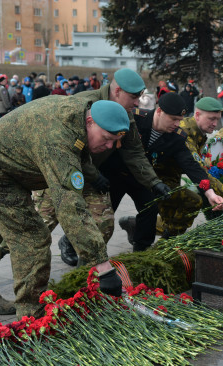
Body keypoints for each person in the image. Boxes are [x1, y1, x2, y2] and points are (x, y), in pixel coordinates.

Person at [0, 97, 129, 318]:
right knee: (32, 237)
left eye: (114, 141)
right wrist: (103, 266)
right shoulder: (58, 136)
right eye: (107, 139)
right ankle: (32, 313)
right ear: (90, 121)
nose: (109, 146)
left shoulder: (78, 114)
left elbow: (78, 152)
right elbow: (68, 204)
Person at [34, 69, 165, 266]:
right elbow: (63, 150)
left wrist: (154, 183)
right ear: (118, 91)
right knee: (38, 228)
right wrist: (93, 174)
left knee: (103, 223)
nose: (138, 103)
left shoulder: (125, 116)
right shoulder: (82, 105)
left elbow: (134, 153)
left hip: (91, 176)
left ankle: (86, 272)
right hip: (58, 171)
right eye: (134, 97)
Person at [101, 93, 223, 251]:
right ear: (159, 111)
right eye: (173, 119)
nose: (177, 124)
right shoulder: (136, 119)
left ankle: (141, 250)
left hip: (142, 179)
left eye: (180, 120)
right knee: (102, 214)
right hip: (115, 174)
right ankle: (71, 245)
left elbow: (191, 165)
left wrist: (209, 192)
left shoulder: (177, 137)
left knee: (150, 209)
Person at [119, 97, 223, 241]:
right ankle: (162, 240)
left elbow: (192, 165)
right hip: (147, 177)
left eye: (217, 119)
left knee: (167, 214)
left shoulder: (189, 133)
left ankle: (147, 234)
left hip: (163, 180)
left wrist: (210, 191)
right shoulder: (178, 130)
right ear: (197, 115)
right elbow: (193, 166)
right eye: (211, 119)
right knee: (188, 203)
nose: (215, 124)